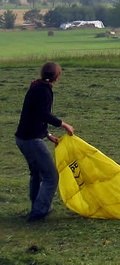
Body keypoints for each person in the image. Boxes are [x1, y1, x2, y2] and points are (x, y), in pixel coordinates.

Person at [15, 61, 75, 222]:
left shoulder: (36, 87)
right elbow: (43, 114)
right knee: (51, 176)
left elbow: (33, 116)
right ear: (57, 76)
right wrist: (64, 124)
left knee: (36, 174)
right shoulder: (43, 91)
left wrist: (48, 135)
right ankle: (39, 212)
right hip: (31, 140)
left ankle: (36, 207)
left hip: (22, 138)